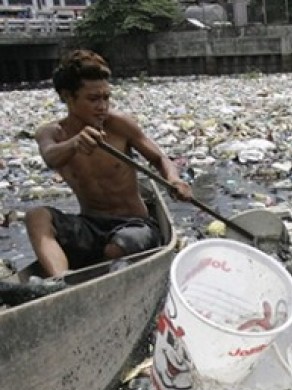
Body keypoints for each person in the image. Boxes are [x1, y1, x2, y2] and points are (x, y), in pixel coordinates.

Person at [25, 50, 192, 277]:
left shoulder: (118, 125)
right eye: (93, 99)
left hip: (135, 226)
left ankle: (93, 277)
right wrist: (75, 144)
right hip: (91, 226)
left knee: (118, 247)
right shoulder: (52, 133)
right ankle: (61, 283)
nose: (102, 106)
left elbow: (159, 158)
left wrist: (174, 180)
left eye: (106, 97)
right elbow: (50, 156)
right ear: (67, 97)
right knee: (36, 216)